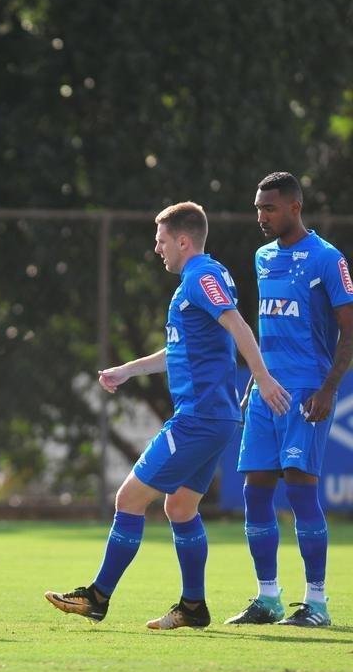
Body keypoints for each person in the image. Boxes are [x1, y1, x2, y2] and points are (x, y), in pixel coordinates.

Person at [45, 202, 289, 629]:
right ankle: (193, 607)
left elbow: (238, 325)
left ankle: (97, 597)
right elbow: (179, 350)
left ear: (183, 240)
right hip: (214, 419)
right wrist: (127, 370)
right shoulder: (196, 280)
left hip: (199, 418)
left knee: (128, 500)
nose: (157, 249)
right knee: (179, 507)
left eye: (161, 241)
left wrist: (263, 378)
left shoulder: (201, 276)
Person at [225, 172, 353, 627]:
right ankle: (268, 598)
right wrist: (257, 378)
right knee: (255, 491)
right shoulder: (262, 257)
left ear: (295, 207)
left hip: (306, 392)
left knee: (300, 490)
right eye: (258, 208)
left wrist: (329, 388)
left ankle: (316, 603)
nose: (261, 216)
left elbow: (349, 330)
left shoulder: (327, 258)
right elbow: (266, 326)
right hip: (267, 392)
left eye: (270, 208)